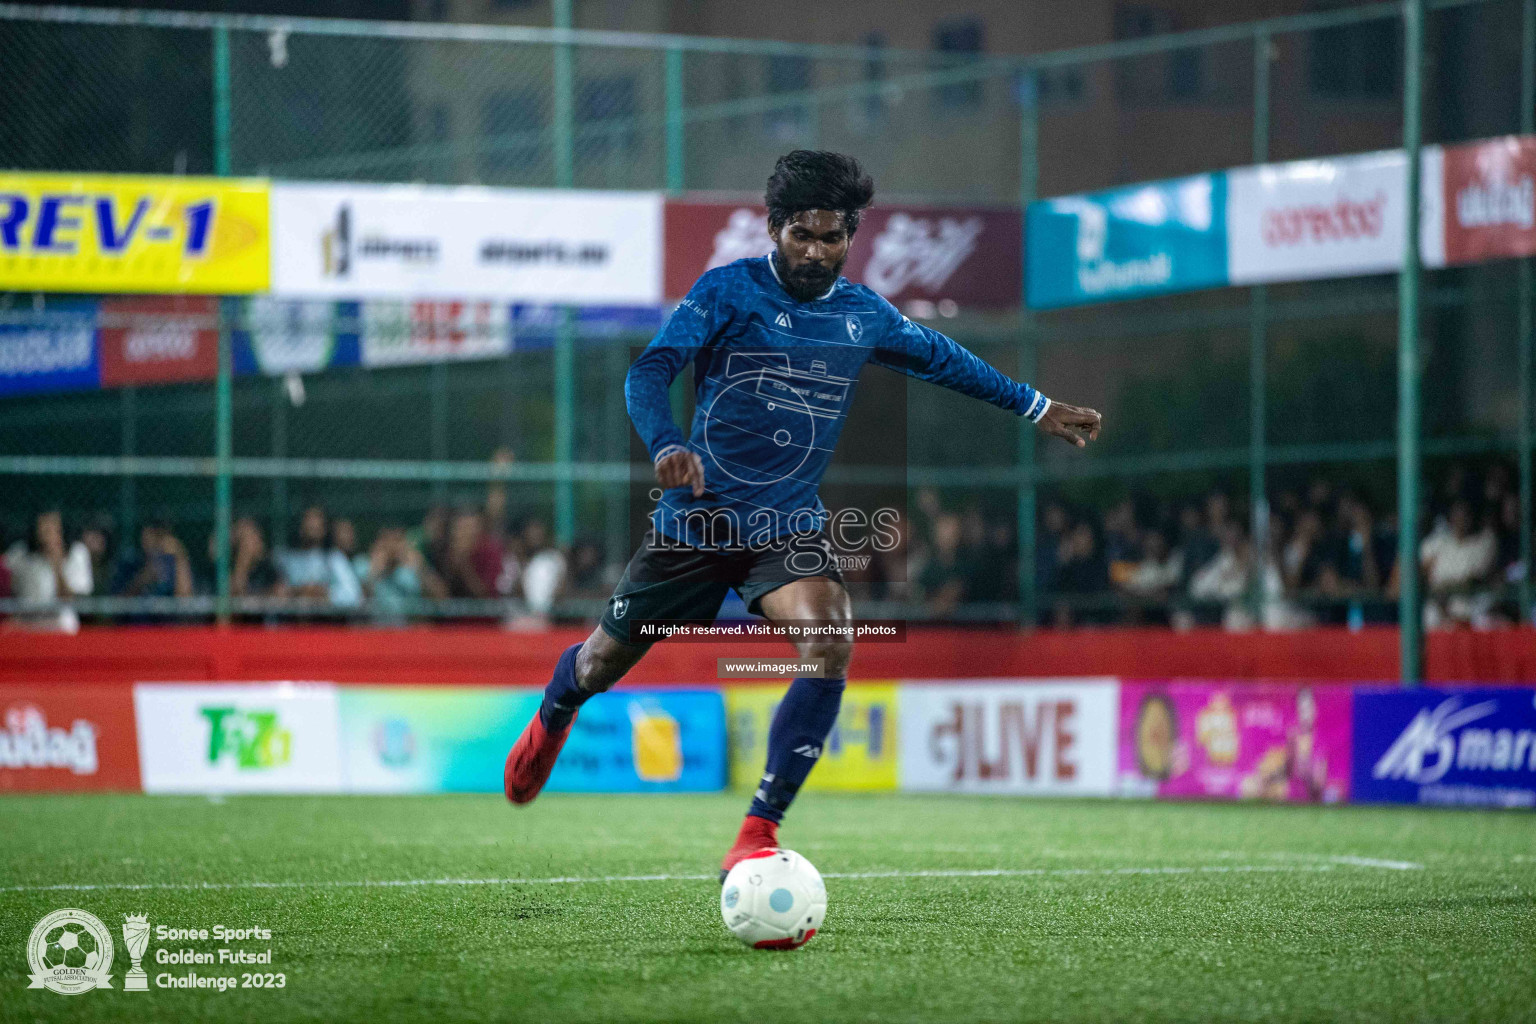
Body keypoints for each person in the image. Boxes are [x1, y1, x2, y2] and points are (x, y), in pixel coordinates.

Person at [500, 150, 1101, 880]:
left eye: (831, 238)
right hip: (698, 524)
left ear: (850, 237)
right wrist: (665, 442)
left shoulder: (862, 315)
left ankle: (757, 830)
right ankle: (556, 713)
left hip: (786, 527)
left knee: (832, 640)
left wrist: (1039, 407)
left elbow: (947, 360)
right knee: (599, 662)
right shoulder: (727, 292)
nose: (816, 252)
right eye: (801, 236)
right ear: (775, 229)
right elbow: (650, 370)